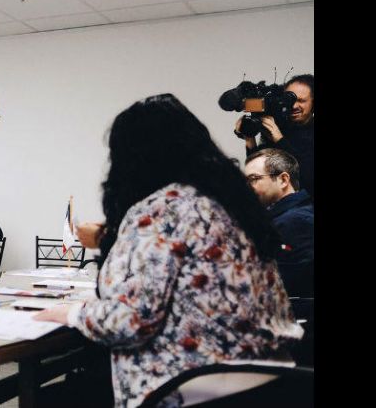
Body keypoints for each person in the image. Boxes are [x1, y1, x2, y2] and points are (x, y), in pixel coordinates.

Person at [35, 94, 302, 408]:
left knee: (58, 397)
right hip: (271, 380)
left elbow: (131, 321)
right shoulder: (232, 204)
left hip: (195, 385)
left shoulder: (164, 207)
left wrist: (71, 312)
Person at [244, 148, 314, 298]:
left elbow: (287, 283)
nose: (246, 187)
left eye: (253, 179)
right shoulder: (291, 215)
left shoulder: (295, 221)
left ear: (283, 180)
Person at [236, 74, 314, 197]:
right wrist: (249, 139)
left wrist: (279, 139)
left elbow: (307, 178)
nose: (293, 106)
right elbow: (259, 174)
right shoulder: (279, 124)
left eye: (301, 101)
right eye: (290, 100)